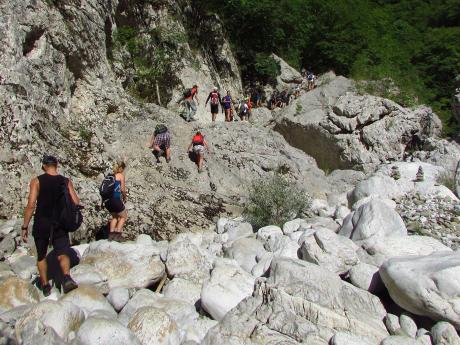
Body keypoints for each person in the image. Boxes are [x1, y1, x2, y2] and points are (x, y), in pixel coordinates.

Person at [22, 155, 80, 296]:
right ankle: (66, 277)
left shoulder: (37, 181)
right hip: (60, 224)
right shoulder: (65, 181)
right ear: (56, 165)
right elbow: (76, 202)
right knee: (62, 252)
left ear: (44, 166)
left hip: (42, 223)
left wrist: (25, 226)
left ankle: (45, 285)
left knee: (41, 256)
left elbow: (31, 205)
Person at [103, 161, 127, 241]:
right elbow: (123, 189)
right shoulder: (120, 175)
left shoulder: (110, 176)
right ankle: (118, 235)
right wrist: (124, 197)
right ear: (121, 168)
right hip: (115, 199)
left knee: (115, 217)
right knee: (123, 216)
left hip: (107, 201)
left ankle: (111, 235)